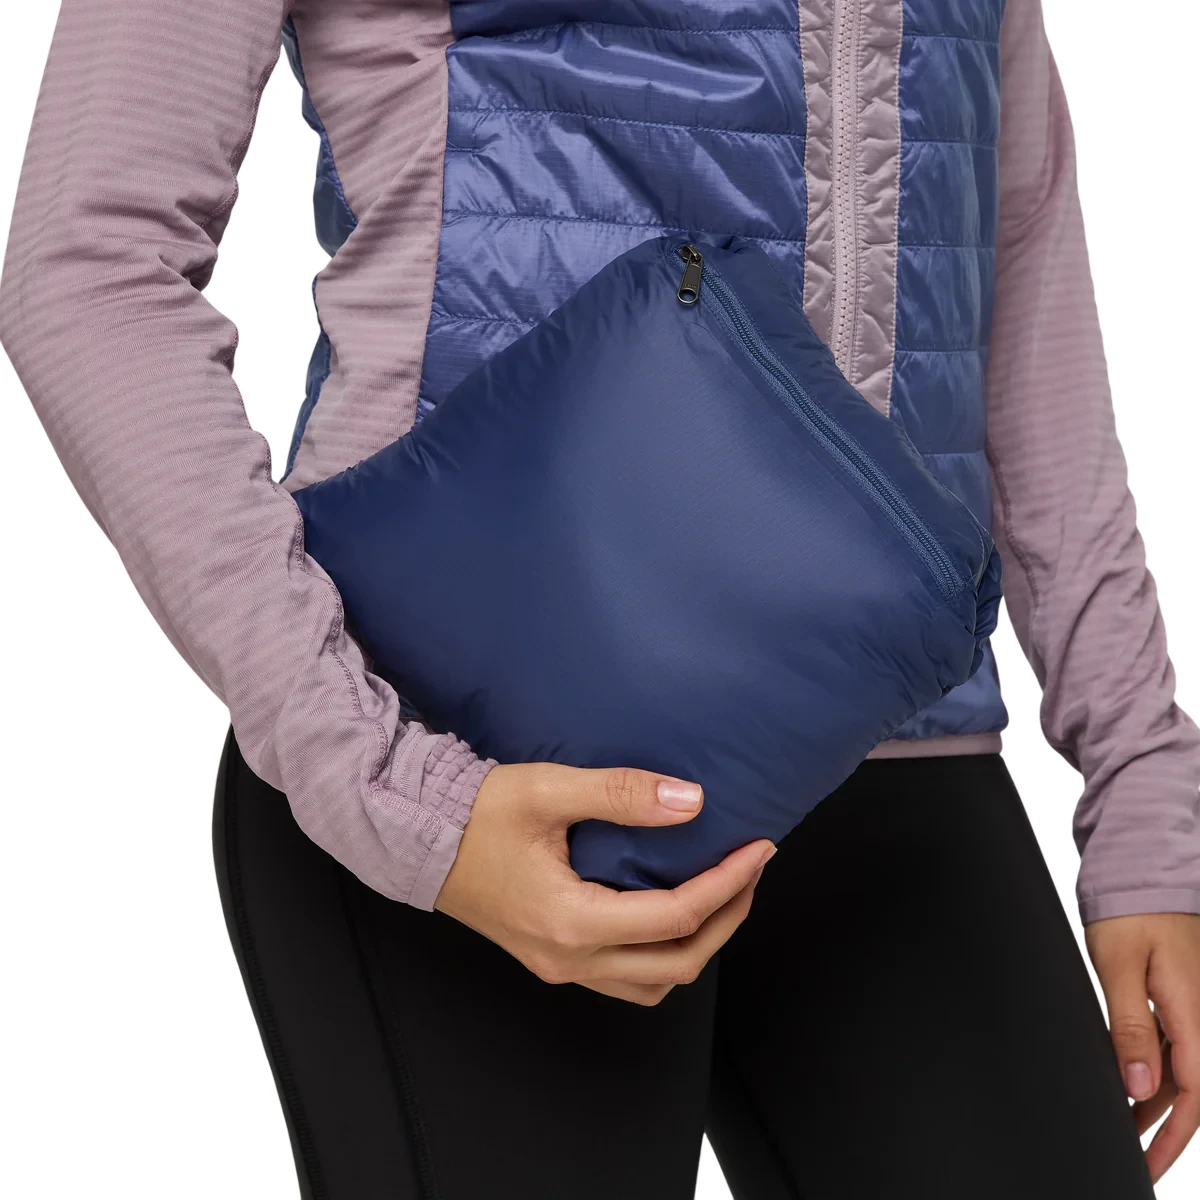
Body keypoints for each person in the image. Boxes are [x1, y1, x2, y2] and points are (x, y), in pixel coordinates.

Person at [2, 0, 1198, 1196]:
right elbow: (90, 264)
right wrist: (399, 790)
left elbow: (1009, 247)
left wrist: (1145, 790)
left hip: (895, 748)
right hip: (479, 757)